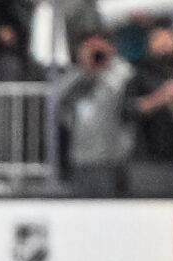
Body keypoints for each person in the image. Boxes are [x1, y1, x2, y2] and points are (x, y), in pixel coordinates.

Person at [60, 33, 134, 195]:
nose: (96, 53)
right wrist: (85, 69)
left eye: (99, 48)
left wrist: (104, 66)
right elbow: (58, 95)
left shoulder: (122, 70)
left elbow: (118, 92)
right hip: (80, 157)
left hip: (111, 157)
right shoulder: (77, 73)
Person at [124, 25, 173, 195]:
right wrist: (161, 98)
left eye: (168, 38)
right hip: (149, 155)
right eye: (158, 39)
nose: (164, 44)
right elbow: (129, 109)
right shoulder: (139, 72)